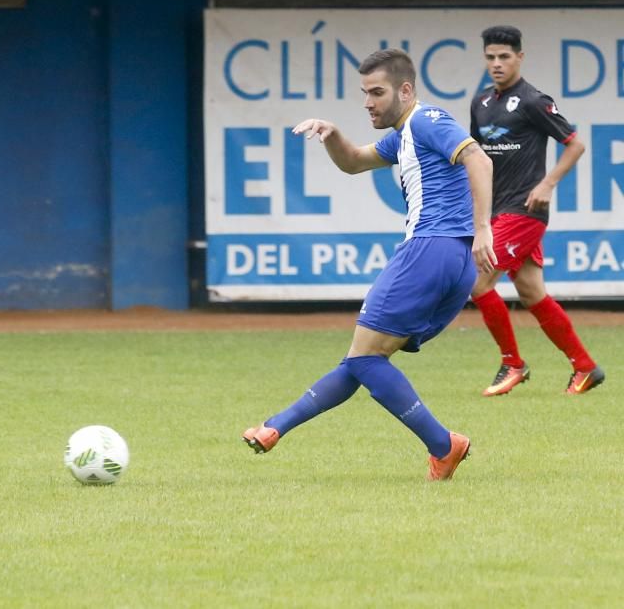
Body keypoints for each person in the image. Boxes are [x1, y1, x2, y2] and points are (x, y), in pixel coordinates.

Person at [242, 49, 496, 481]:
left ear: (405, 90)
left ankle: (443, 444)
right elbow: (355, 162)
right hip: (453, 264)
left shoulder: (425, 120)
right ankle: (274, 427)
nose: (368, 102)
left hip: (430, 249)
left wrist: (484, 227)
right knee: (364, 358)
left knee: (365, 360)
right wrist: (333, 135)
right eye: (364, 93)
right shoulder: (404, 136)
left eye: (377, 92)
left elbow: (479, 158)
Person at [469, 25, 604, 397]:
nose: (497, 63)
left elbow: (575, 145)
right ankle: (586, 367)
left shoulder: (532, 100)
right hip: (496, 210)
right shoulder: (480, 103)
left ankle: (512, 362)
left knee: (477, 282)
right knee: (532, 293)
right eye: (491, 57)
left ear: (520, 58)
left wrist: (547, 184)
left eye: (504, 57)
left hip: (524, 211)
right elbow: (475, 157)